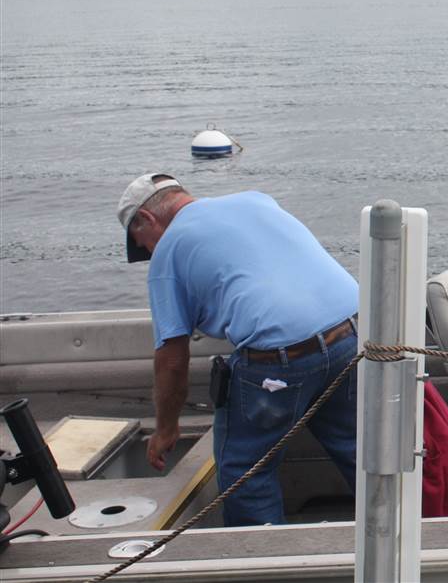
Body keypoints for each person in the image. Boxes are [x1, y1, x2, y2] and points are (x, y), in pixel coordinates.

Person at [118, 172, 360, 527]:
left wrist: (166, 429)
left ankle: (262, 563)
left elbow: (171, 360)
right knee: (359, 450)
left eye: (143, 243)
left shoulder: (168, 250)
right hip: (351, 335)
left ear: (147, 219)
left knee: (246, 473)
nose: (150, 251)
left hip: (282, 362)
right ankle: (403, 546)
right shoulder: (254, 199)